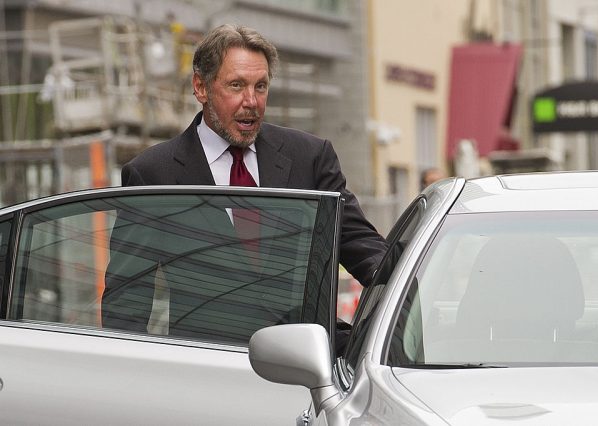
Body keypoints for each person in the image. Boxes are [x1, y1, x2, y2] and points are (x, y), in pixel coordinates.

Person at [102, 25, 388, 337]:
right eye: (236, 86)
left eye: (260, 86)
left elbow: (359, 244)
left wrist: (401, 278)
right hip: (210, 369)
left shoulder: (310, 157)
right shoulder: (152, 174)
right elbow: (127, 304)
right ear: (201, 87)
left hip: (305, 371)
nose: (251, 101)